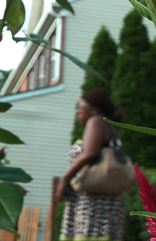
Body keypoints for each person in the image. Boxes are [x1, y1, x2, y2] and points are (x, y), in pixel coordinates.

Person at [56, 89, 126, 241]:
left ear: (94, 109)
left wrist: (65, 178)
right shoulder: (108, 126)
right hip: (105, 204)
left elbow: (90, 153)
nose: (78, 112)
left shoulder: (96, 121)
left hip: (94, 206)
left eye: (81, 107)